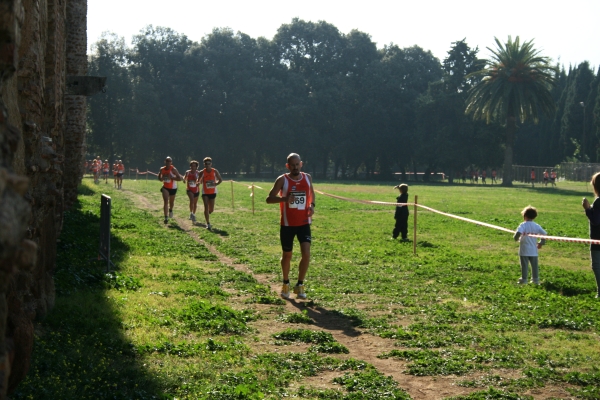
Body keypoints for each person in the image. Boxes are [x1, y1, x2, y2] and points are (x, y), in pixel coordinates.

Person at [266, 153, 315, 300]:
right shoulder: (282, 180)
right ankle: (286, 283)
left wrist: (312, 205)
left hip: (304, 223)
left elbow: (311, 194)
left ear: (301, 164)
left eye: (297, 164)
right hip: (287, 224)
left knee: (306, 254)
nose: (295, 167)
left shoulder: (307, 178)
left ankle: (300, 285)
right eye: (292, 165)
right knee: (287, 255)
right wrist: (285, 199)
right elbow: (269, 199)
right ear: (288, 166)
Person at [513, 205, 546, 285]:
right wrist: (541, 243)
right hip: (533, 250)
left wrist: (516, 238)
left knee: (524, 266)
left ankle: (524, 280)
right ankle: (535, 280)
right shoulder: (536, 226)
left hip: (524, 250)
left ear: (525, 215)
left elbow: (518, 234)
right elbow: (544, 234)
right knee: (534, 266)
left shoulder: (523, 225)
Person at [581, 172, 600, 298]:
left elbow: (596, 221)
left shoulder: (598, 201)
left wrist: (587, 208)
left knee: (597, 266)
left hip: (597, 240)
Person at [198, 157, 223, 230]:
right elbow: (198, 180)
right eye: (206, 164)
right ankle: (208, 223)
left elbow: (220, 180)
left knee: (211, 209)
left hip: (212, 192)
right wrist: (198, 183)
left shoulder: (215, 171)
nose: (207, 165)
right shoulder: (202, 172)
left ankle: (209, 211)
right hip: (205, 192)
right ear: (204, 164)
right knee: (206, 206)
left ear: (211, 164)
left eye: (209, 163)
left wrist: (216, 184)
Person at [158, 157, 183, 224]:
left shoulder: (173, 169)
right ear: (165, 162)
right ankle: (166, 217)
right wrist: (161, 178)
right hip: (165, 187)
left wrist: (172, 177)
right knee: (166, 201)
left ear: (171, 162)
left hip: (173, 188)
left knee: (171, 203)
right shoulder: (162, 169)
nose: (168, 162)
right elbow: (159, 178)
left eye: (169, 161)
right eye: (167, 161)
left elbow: (179, 179)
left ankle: (171, 210)